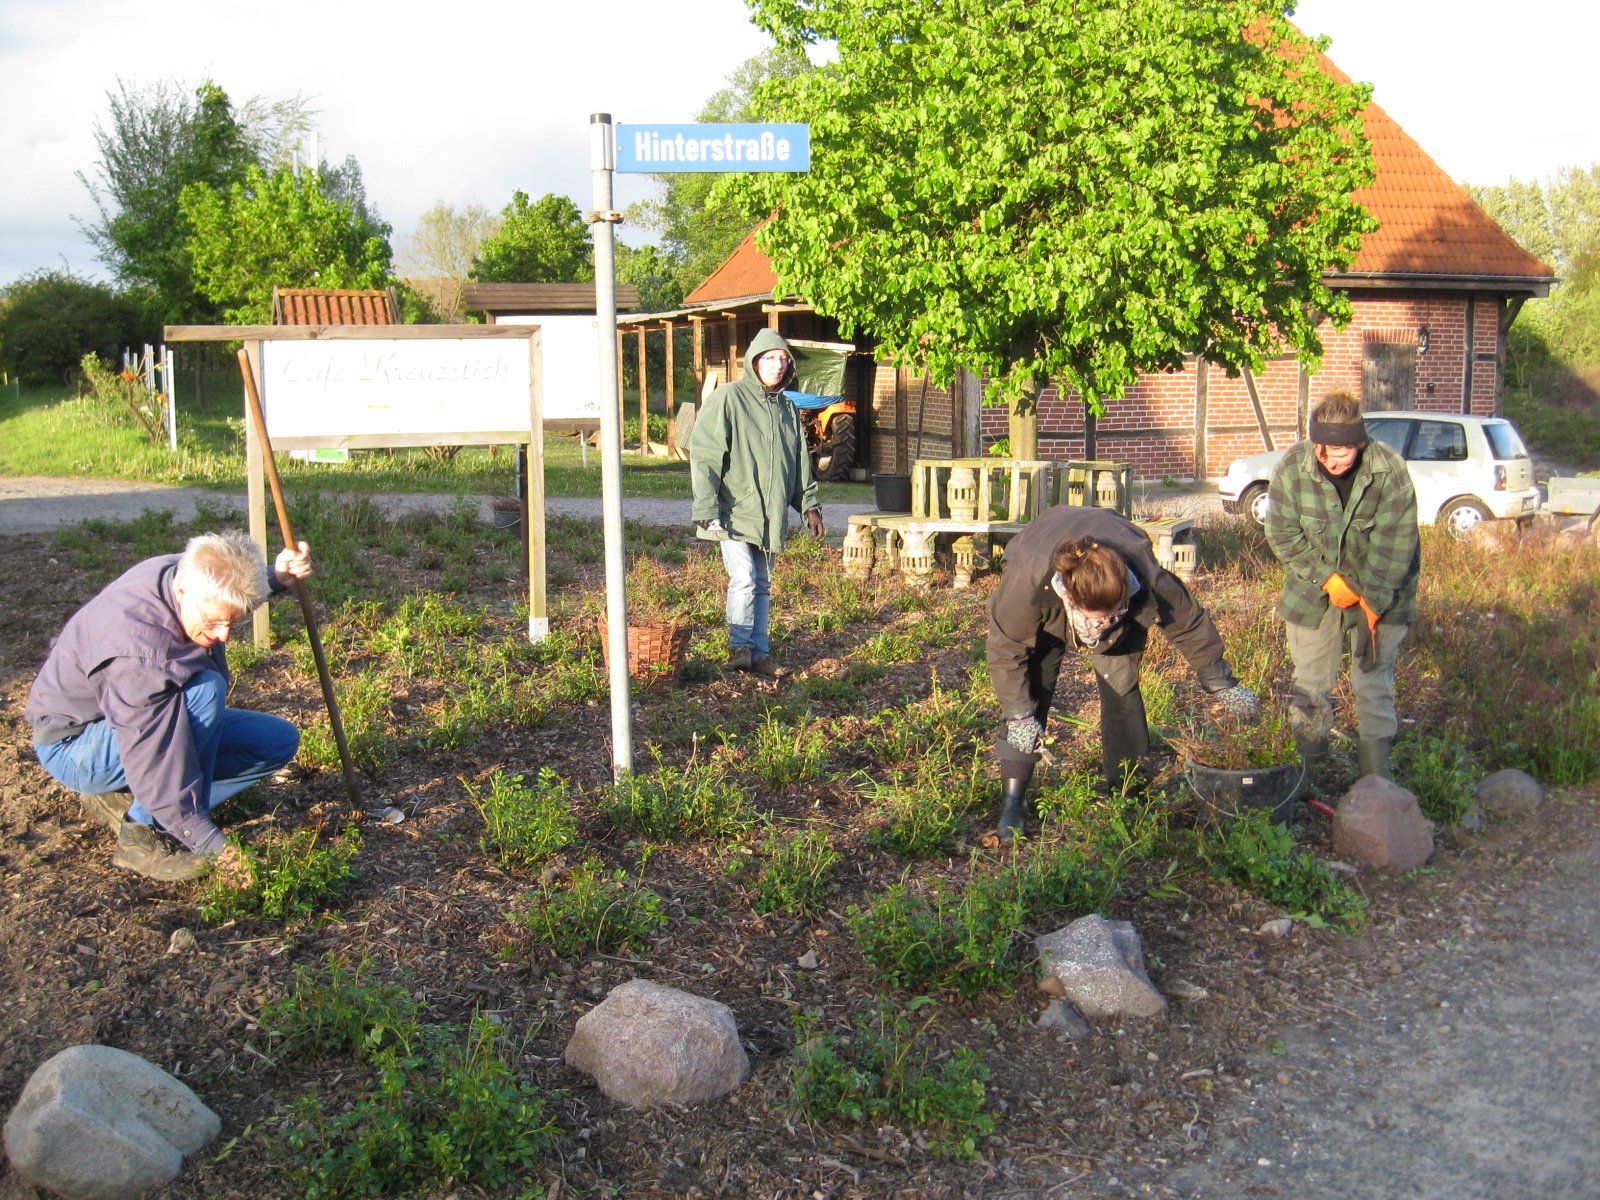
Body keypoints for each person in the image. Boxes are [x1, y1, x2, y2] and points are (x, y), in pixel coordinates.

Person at [25, 530, 314, 882]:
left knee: (275, 742)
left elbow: (223, 597)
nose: (224, 635)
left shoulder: (187, 573)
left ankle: (126, 797)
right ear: (183, 593)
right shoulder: (138, 657)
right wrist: (214, 847)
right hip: (75, 745)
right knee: (204, 692)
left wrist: (276, 577)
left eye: (231, 622)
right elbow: (152, 757)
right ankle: (142, 835)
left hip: (125, 719)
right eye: (214, 622)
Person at [986, 505, 1259, 842]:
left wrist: (1221, 682)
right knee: (1031, 687)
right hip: (1040, 562)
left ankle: (1129, 791)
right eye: (1095, 618)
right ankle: (1013, 802)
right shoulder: (1026, 583)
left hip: (1113, 553)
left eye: (1110, 617)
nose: (1101, 625)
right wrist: (1019, 716)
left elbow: (1187, 622)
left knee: (1121, 688)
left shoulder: (1144, 574)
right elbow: (1006, 650)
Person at [1266, 389, 1419, 782]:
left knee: (1373, 684)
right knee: (1310, 686)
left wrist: (1372, 606)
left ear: (1359, 443)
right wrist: (1328, 580)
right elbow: (1281, 533)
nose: (1333, 461)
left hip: (1383, 590)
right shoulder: (1292, 467)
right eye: (1325, 452)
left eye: (1344, 452)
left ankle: (1376, 784)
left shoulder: (1390, 470)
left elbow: (1395, 545)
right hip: (1312, 593)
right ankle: (1307, 781)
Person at [689, 327, 824, 677]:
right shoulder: (728, 398)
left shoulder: (787, 408)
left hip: (770, 513)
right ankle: (740, 649)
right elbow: (705, 454)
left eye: (783, 359)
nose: (778, 365)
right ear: (754, 362)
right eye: (770, 358)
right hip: (732, 511)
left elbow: (799, 463)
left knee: (762, 583)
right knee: (744, 578)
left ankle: (760, 654)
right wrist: (705, 508)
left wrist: (809, 505)